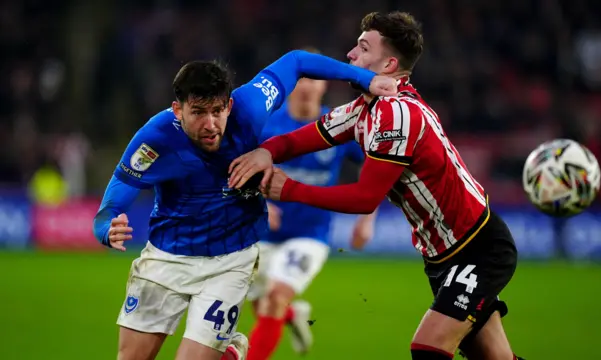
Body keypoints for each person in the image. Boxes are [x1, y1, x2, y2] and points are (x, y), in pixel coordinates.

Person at [229, 12, 525, 360]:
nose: (351, 55)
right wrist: (267, 152)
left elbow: (365, 198)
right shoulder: (364, 109)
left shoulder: (397, 114)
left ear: (389, 64)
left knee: (428, 348)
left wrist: (288, 189)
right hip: (442, 256)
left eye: (363, 47)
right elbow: (301, 140)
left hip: (478, 248)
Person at [92, 50, 397, 360]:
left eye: (218, 111)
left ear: (230, 105)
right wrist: (105, 226)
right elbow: (117, 194)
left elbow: (296, 61)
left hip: (230, 261)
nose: (211, 124)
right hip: (166, 257)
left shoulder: (251, 106)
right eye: (198, 112)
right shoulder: (154, 138)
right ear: (177, 110)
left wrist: (366, 79)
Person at [245, 47, 377, 360]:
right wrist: (256, 199)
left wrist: (367, 218)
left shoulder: (339, 126)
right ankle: (294, 316)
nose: (307, 86)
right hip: (260, 232)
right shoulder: (266, 126)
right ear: (292, 85)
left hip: (310, 235)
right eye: (302, 79)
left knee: (275, 298)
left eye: (314, 79)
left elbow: (376, 163)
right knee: (263, 306)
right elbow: (238, 170)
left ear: (323, 85)